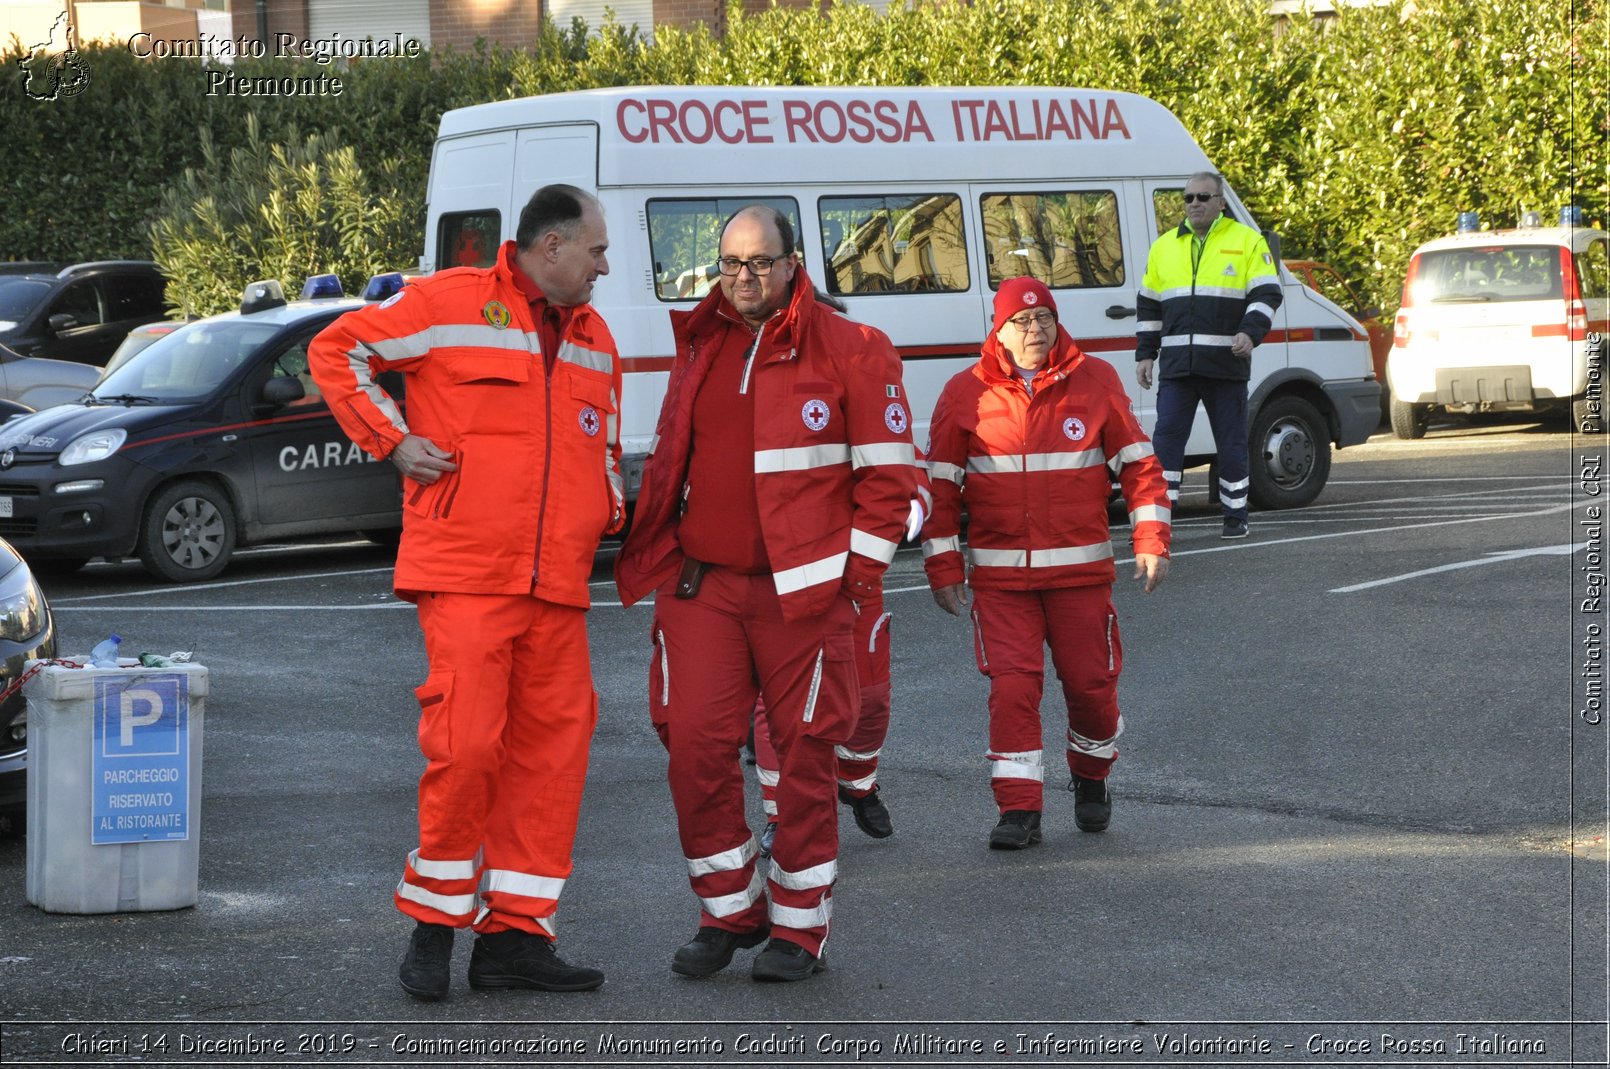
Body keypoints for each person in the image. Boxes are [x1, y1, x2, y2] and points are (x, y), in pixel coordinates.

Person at [309, 184, 622, 1000]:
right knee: (468, 748)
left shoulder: (597, 339)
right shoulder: (448, 301)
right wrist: (393, 439)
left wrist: (607, 513)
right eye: (595, 250)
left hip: (557, 585)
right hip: (468, 574)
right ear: (549, 246)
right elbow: (335, 352)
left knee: (550, 761)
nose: (604, 265)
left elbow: (604, 449)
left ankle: (515, 938)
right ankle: (435, 928)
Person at [615, 205, 919, 982]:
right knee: (694, 749)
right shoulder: (703, 339)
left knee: (805, 759)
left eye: (758, 262)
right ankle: (729, 908)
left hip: (807, 598)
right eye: (728, 263)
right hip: (703, 586)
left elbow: (890, 480)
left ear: (792, 264)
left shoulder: (853, 347)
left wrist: (854, 583)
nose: (742, 277)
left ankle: (798, 928)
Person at [924, 277, 1170, 849]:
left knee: (1091, 688)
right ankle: (1019, 810)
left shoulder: (1096, 380)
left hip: (1080, 577)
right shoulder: (965, 393)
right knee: (1012, 690)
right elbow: (940, 491)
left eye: (1044, 321)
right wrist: (942, 569)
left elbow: (1139, 466)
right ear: (999, 329)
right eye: (1022, 322)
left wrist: (1151, 538)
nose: (1035, 331)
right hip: (1002, 581)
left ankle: (1091, 777)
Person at [1135, 171, 1283, 539]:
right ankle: (1159, 520)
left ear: (1221, 202)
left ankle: (1235, 516)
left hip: (1225, 364)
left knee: (1230, 441)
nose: (1195, 204)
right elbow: (1149, 306)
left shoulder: (1247, 241)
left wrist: (1250, 333)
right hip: (1176, 367)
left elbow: (1267, 294)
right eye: (1189, 198)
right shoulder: (1164, 246)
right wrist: (1145, 354)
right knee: (1165, 442)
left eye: (1203, 197)